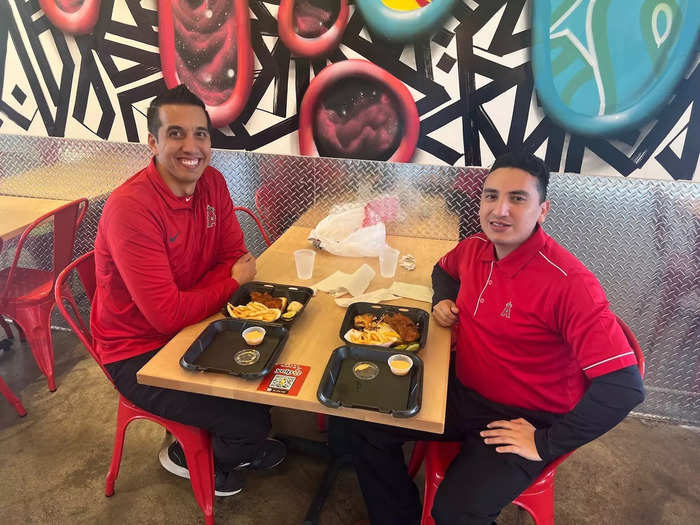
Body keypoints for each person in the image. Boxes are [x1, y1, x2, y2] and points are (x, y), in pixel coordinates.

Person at [350, 150, 645, 525]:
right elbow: (443, 270)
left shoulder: (570, 284)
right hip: (461, 390)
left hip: (524, 418)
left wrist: (544, 442)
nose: (499, 210)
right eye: (491, 196)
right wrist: (443, 299)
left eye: (517, 199)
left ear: (543, 210)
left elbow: (623, 387)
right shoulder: (475, 249)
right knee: (363, 423)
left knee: (457, 512)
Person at [91, 84, 285, 497]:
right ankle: (189, 456)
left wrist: (209, 288)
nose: (191, 145)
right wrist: (230, 283)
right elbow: (167, 314)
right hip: (137, 352)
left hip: (197, 323)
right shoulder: (132, 208)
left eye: (201, 133)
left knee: (272, 374)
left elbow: (234, 252)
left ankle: (233, 442)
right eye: (176, 133)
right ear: (153, 142)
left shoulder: (212, 182)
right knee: (249, 422)